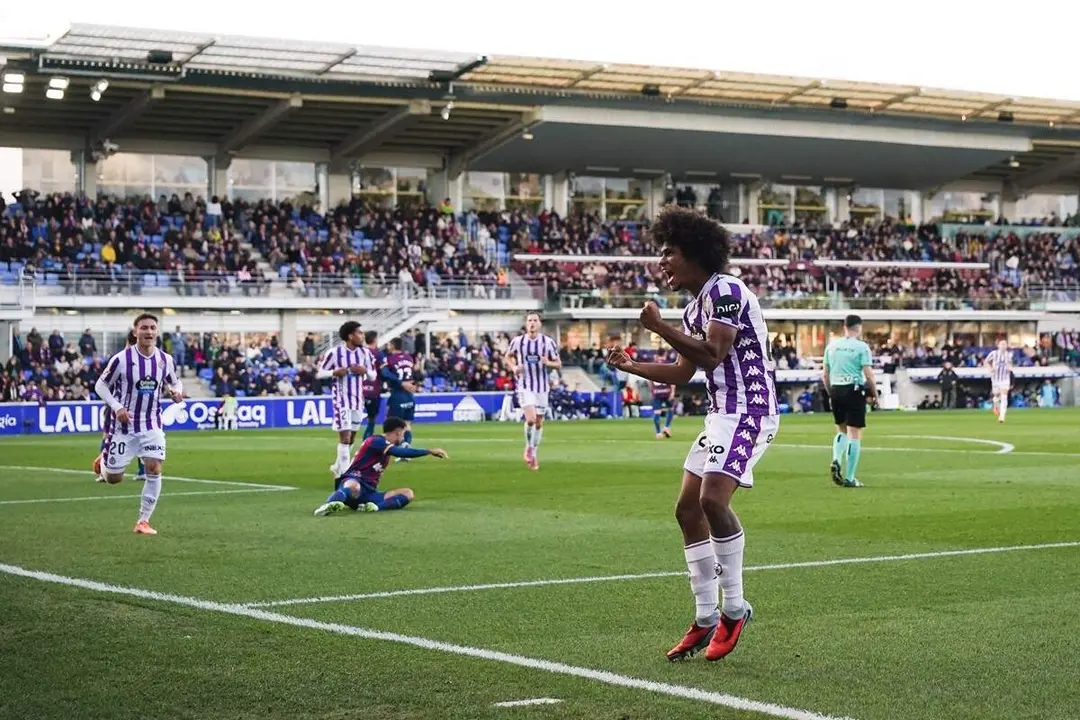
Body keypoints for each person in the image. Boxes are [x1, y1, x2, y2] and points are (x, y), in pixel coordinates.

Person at [606, 205, 779, 663]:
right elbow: (684, 373)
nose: (661, 262)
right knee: (686, 509)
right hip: (721, 414)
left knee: (712, 501)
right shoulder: (695, 307)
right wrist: (632, 365)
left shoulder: (726, 291)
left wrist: (658, 327)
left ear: (694, 253)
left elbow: (712, 354)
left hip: (751, 411)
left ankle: (735, 608)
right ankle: (704, 617)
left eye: (668, 252)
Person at [93, 313, 185, 535]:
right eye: (144, 328)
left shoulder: (165, 360)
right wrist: (117, 407)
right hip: (123, 426)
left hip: (152, 423)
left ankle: (143, 521)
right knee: (114, 479)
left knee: (154, 467)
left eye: (153, 327)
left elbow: (175, 381)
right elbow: (100, 386)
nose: (149, 332)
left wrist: (177, 392)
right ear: (135, 332)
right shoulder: (121, 359)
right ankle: (103, 463)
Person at [312, 417, 448, 516]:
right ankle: (329, 505)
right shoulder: (376, 441)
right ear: (398, 432)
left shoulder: (383, 444)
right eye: (403, 433)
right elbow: (400, 452)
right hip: (354, 484)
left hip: (369, 493)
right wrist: (429, 451)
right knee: (353, 486)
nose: (403, 437)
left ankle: (373, 507)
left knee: (408, 493)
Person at [822, 315, 878, 488]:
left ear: (844, 327)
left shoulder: (832, 346)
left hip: (836, 389)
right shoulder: (861, 347)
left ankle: (836, 459)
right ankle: (850, 477)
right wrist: (874, 393)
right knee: (855, 433)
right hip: (853, 389)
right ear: (859, 327)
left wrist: (831, 392)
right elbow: (868, 373)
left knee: (841, 429)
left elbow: (825, 374)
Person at [318, 321, 377, 477]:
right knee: (344, 439)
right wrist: (335, 372)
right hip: (341, 400)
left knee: (351, 439)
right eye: (359, 333)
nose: (362, 336)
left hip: (358, 400)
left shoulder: (365, 353)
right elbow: (320, 373)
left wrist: (364, 371)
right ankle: (345, 475)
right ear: (351, 336)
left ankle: (338, 467)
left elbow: (373, 376)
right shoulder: (334, 353)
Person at [505, 312, 561, 470]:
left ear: (540, 324)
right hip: (525, 385)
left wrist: (548, 362)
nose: (532, 323)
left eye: (535, 320)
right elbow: (507, 356)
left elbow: (558, 364)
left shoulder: (547, 342)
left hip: (542, 387)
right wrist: (514, 367)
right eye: (529, 320)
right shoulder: (518, 341)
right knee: (530, 419)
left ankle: (533, 453)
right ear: (526, 323)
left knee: (539, 422)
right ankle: (529, 447)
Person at [93, 330, 146, 483]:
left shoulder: (118, 358)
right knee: (139, 436)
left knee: (108, 435)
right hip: (135, 406)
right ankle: (142, 471)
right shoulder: (141, 360)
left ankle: (105, 471)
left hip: (116, 405)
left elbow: (103, 383)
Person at [382, 337, 418, 458]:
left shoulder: (390, 359)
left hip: (397, 394)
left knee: (391, 425)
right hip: (410, 395)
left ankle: (397, 452)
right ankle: (406, 447)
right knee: (407, 424)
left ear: (392, 346)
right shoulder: (409, 358)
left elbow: (385, 374)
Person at [362, 330, 385, 440]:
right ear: (375, 339)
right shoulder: (378, 354)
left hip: (359, 391)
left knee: (353, 422)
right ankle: (365, 443)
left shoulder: (359, 352)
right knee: (371, 419)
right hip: (373, 391)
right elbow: (383, 372)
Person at [984, 340, 1012, 423]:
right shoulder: (994, 353)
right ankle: (996, 404)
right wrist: (990, 369)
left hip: (1005, 378)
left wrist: (1010, 368)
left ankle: (1002, 416)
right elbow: (986, 362)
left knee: (1004, 396)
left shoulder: (1009, 355)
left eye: (1005, 344)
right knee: (996, 395)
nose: (1003, 346)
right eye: (1001, 344)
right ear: (998, 345)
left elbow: (1010, 364)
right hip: (995, 378)